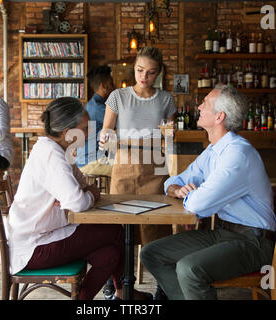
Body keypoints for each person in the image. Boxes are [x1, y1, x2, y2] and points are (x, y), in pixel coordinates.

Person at [6, 97, 151, 300]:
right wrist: (88, 194)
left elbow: (82, 184)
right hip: (33, 246)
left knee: (109, 254)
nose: (89, 132)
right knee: (114, 230)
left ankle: (98, 297)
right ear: (67, 133)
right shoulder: (51, 155)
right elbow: (79, 202)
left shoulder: (60, 151)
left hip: (47, 233)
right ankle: (124, 292)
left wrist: (83, 193)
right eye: (84, 128)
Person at [140, 84, 276, 300]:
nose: (199, 106)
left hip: (252, 242)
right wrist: (177, 189)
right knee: (151, 253)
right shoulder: (213, 150)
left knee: (189, 268)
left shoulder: (237, 154)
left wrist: (190, 194)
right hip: (222, 234)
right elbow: (175, 181)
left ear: (219, 116)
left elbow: (197, 205)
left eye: (206, 103)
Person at [100, 46, 176, 299]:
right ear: (134, 68)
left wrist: (169, 131)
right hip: (124, 167)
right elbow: (107, 130)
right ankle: (116, 282)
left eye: (151, 73)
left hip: (156, 168)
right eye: (140, 70)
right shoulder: (117, 96)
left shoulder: (166, 99)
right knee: (119, 229)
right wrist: (106, 138)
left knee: (156, 228)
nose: (144, 77)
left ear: (159, 74)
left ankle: (161, 285)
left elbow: (170, 136)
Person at [76, 65, 114, 172]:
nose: (114, 87)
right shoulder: (98, 108)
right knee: (124, 169)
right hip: (91, 160)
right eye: (111, 83)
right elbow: (122, 124)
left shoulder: (92, 104)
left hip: (84, 159)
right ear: (103, 86)